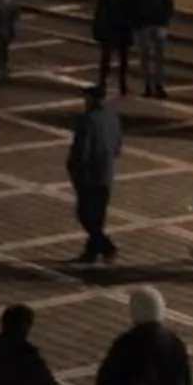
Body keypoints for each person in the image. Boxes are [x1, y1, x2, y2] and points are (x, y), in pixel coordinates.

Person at [68, 83, 124, 265]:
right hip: (106, 174)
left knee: (84, 214)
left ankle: (106, 246)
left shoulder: (87, 120)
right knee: (97, 217)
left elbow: (81, 151)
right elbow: (117, 147)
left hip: (89, 176)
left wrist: (74, 169)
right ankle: (91, 252)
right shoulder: (112, 117)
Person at [126, 0, 173, 98]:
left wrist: (165, 22)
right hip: (143, 27)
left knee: (159, 58)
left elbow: (169, 5)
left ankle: (158, 85)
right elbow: (130, 8)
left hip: (158, 25)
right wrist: (135, 24)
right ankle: (148, 85)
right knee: (146, 58)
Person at [92, 0, 134, 99]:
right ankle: (102, 82)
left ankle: (123, 84)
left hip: (123, 28)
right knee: (106, 58)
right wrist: (98, 27)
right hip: (110, 28)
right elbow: (100, 10)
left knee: (123, 60)